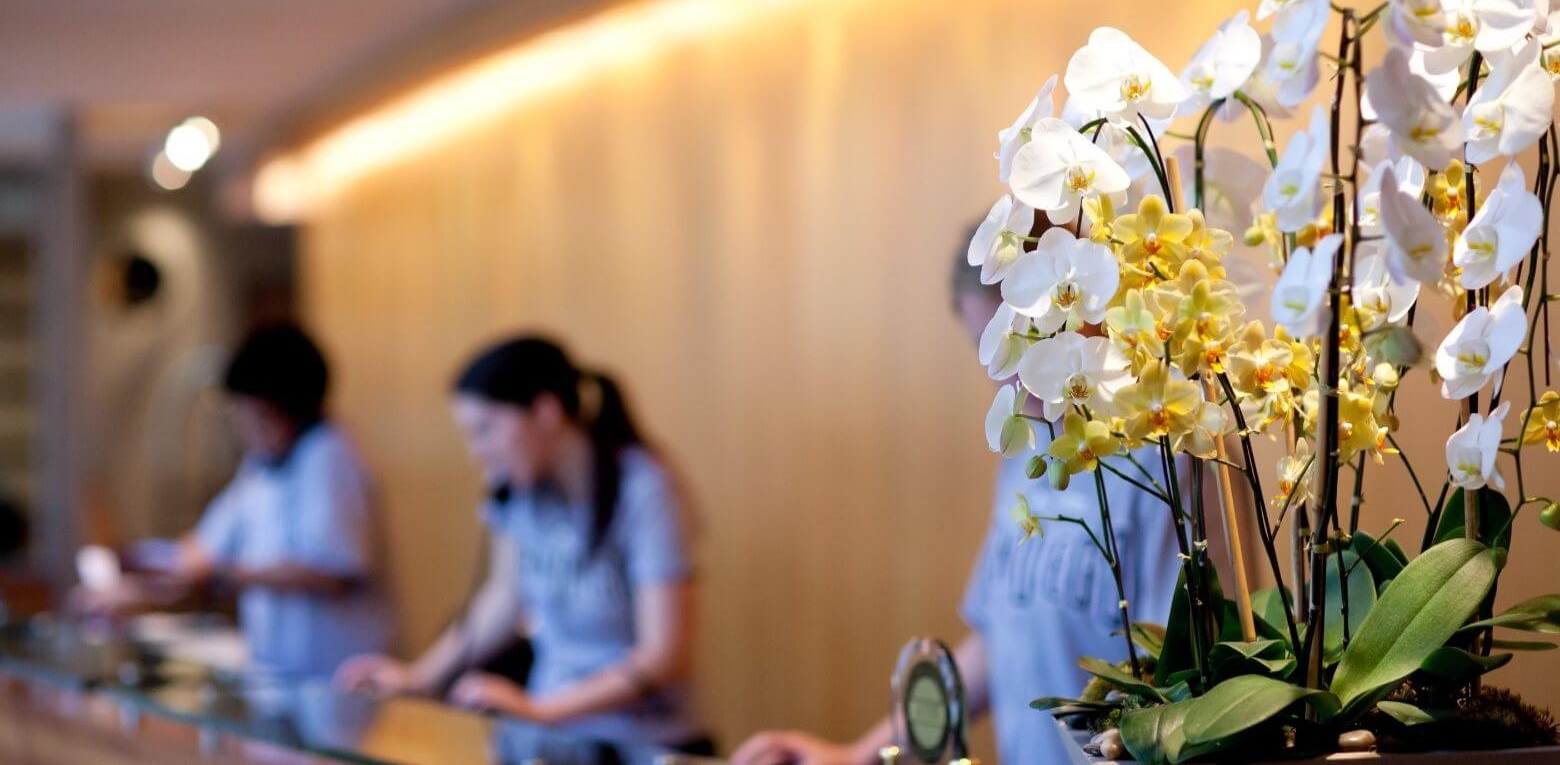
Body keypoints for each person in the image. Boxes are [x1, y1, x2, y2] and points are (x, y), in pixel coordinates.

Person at [733, 224, 1187, 765]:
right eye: (992, 353)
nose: (1014, 380)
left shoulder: (1161, 456)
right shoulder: (1029, 450)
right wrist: (857, 754)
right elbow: (1001, 636)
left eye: (1027, 344)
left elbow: (1177, 670)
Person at [336, 336, 708, 753]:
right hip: (553, 738)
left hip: (639, 743)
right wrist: (420, 678)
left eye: (486, 430)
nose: (478, 453)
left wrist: (541, 709)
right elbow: (503, 600)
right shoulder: (514, 491)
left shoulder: (644, 488)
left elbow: (665, 655)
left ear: (546, 412)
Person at [78, 322, 393, 680]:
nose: (241, 424)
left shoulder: (331, 457)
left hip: (335, 674)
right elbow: (207, 546)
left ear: (275, 409)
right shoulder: (261, 466)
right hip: (277, 670)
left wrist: (225, 575)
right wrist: (137, 585)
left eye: (246, 411)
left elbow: (331, 571)